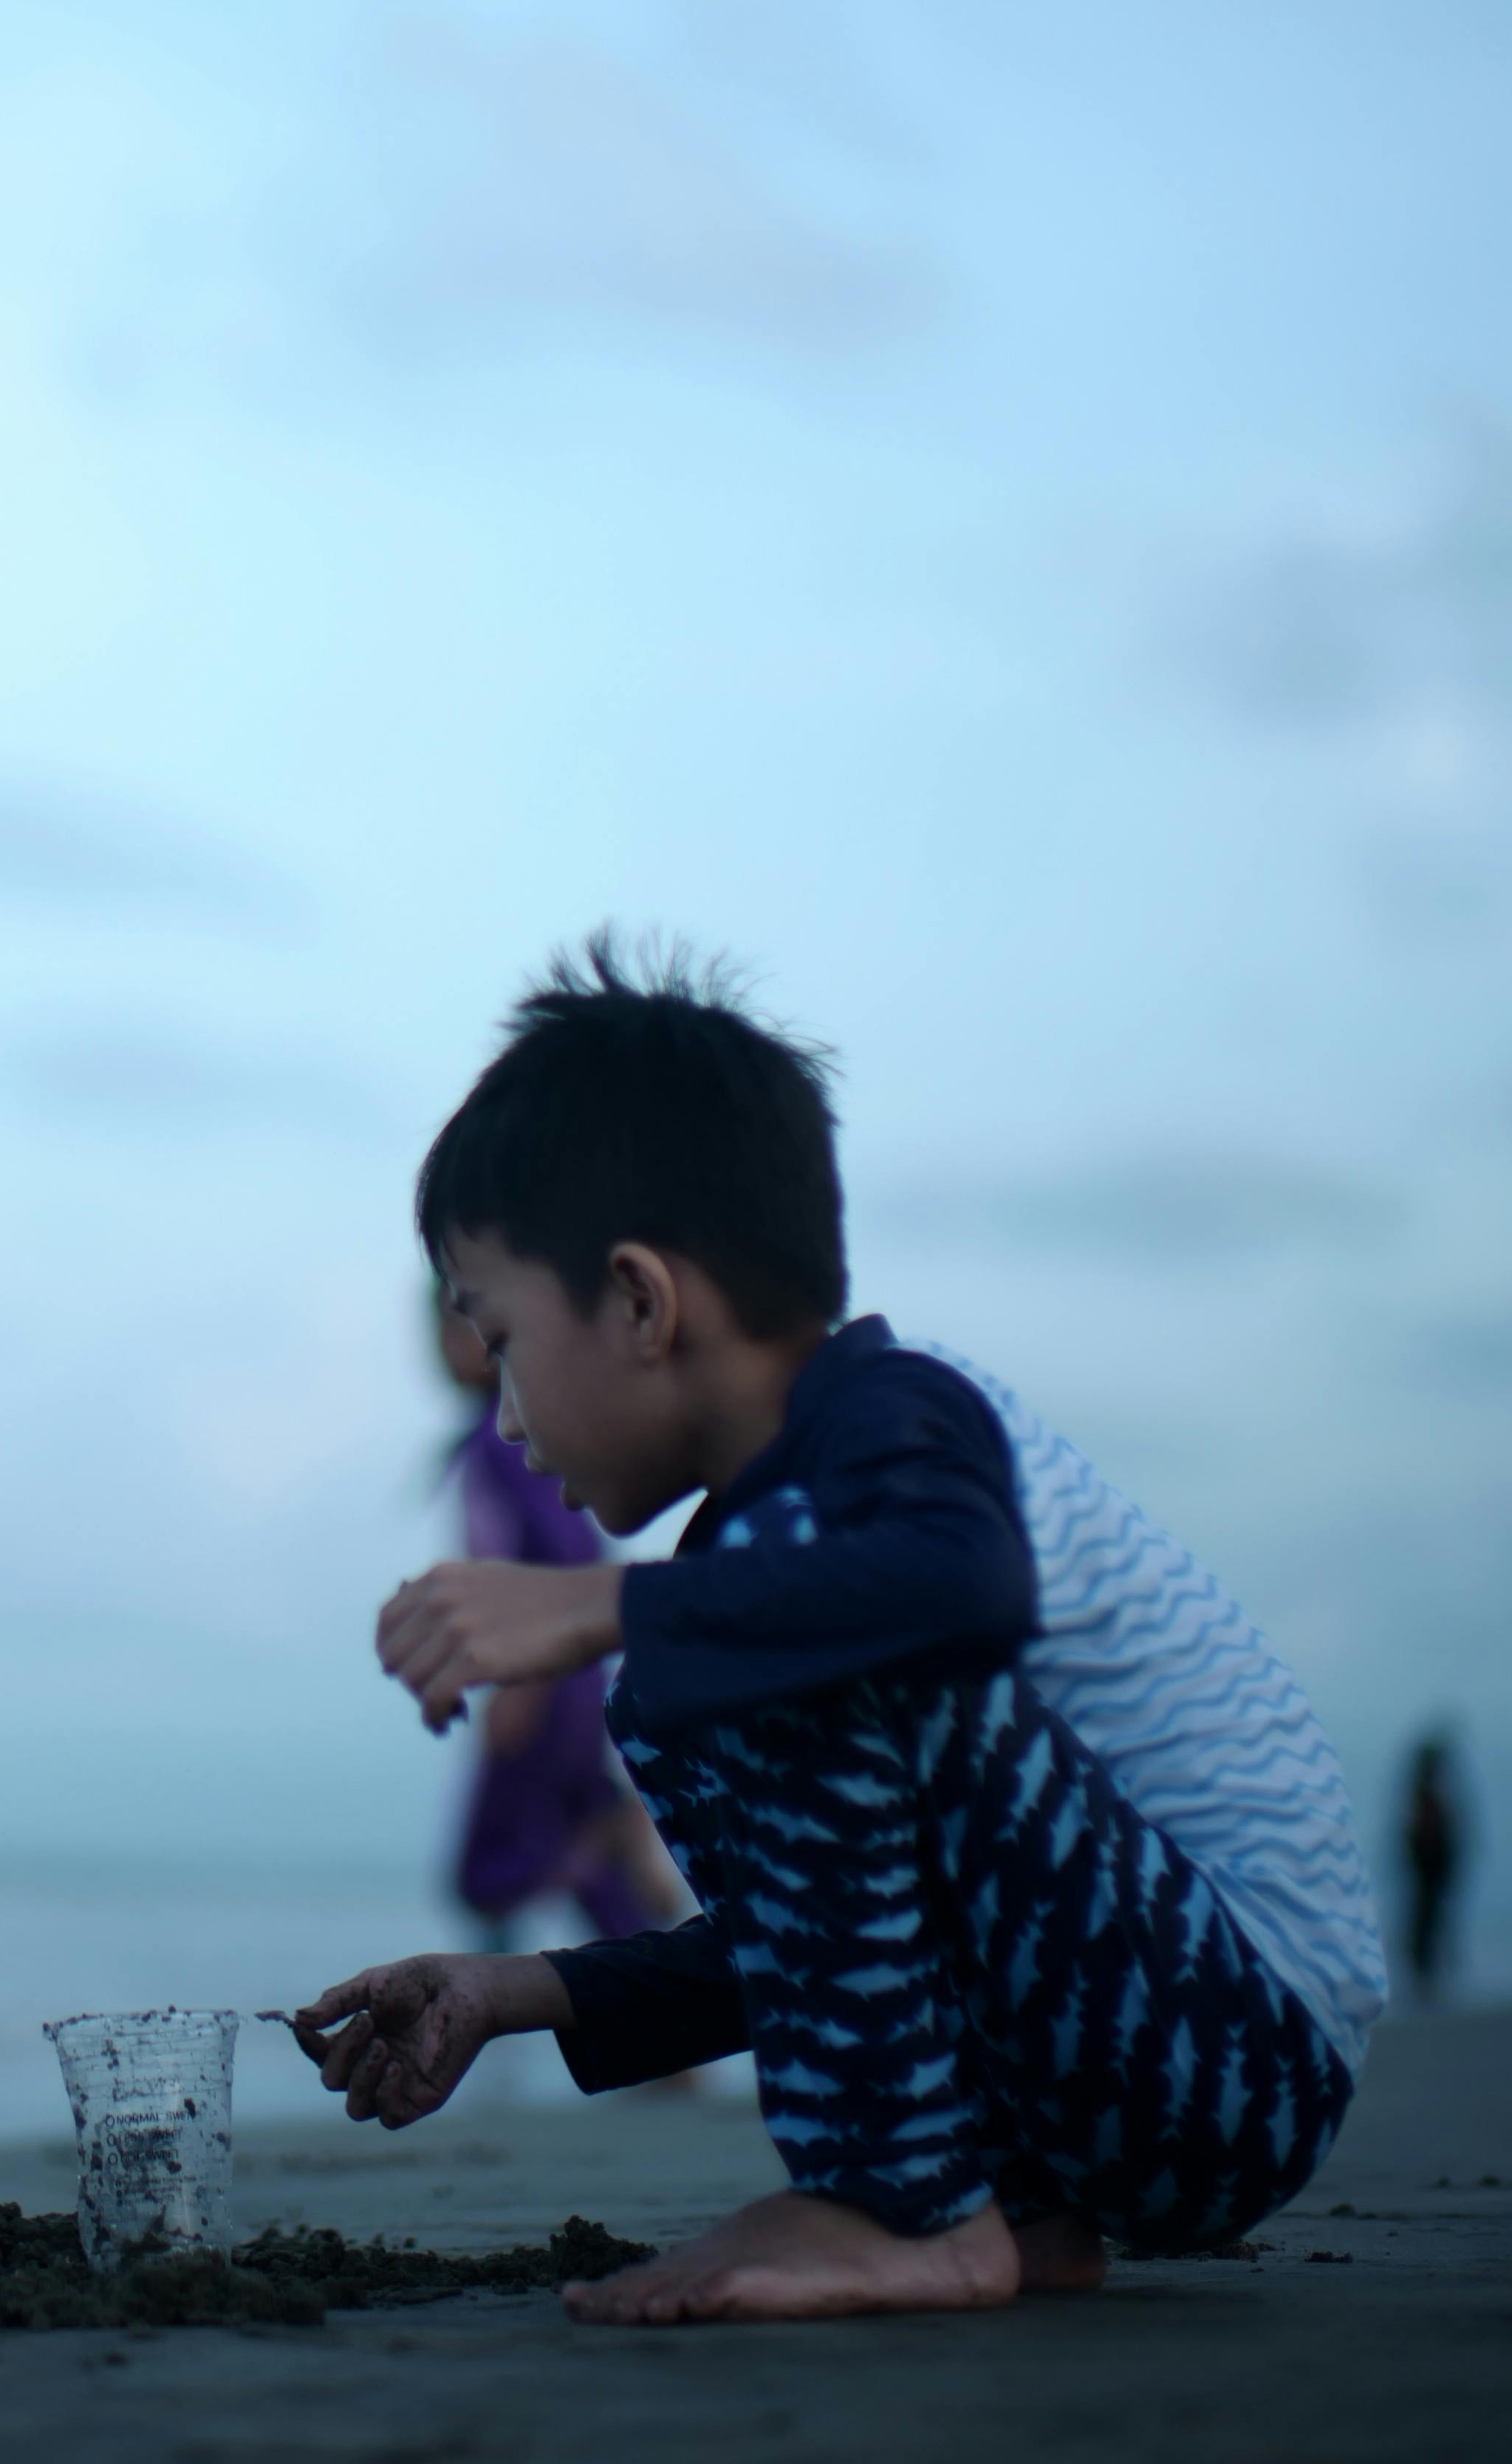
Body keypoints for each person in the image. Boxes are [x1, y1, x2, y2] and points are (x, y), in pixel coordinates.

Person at [293, 940, 1386, 2325]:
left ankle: (903, 2207)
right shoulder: (772, 1552)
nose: (503, 1416)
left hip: (1240, 2048)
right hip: (1137, 2068)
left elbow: (959, 1591)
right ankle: (1001, 2210)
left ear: (640, 1301)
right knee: (704, 1657)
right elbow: (823, 1925)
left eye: (503, 1339)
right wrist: (516, 1989)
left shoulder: (903, 1418)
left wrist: (598, 1600)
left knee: (729, 1643)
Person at [431, 1291, 669, 1949]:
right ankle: (610, 1836)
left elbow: (560, 1552)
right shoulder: (504, 1437)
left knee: (488, 1872)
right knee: (608, 1912)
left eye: (458, 1332)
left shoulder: (499, 1441)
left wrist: (521, 1684)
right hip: (565, 1679)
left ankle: (607, 1834)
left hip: (545, 1680)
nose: (442, 1351)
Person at [1398, 1731, 1466, 1998]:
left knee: (1427, 1918)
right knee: (1427, 1919)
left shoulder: (1425, 1795)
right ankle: (1425, 1978)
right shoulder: (1426, 1796)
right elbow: (1424, 1837)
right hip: (1429, 1869)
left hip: (1429, 1869)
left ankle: (1426, 1977)